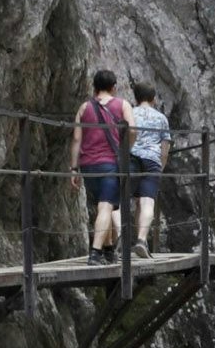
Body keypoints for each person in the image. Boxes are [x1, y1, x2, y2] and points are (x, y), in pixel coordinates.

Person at [66, 70, 133, 264]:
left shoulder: (84, 107)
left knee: (103, 206)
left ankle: (109, 250)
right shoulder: (122, 105)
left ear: (94, 87)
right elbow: (133, 130)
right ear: (114, 87)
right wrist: (126, 149)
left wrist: (73, 168)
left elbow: (77, 138)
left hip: (88, 165)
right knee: (106, 206)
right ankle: (95, 252)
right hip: (110, 163)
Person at [127, 82, 171, 259]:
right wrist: (161, 166)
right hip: (152, 160)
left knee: (121, 199)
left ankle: (118, 241)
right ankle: (141, 240)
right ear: (153, 99)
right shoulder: (161, 118)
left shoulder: (129, 113)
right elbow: (165, 146)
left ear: (135, 98)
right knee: (146, 202)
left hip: (132, 159)